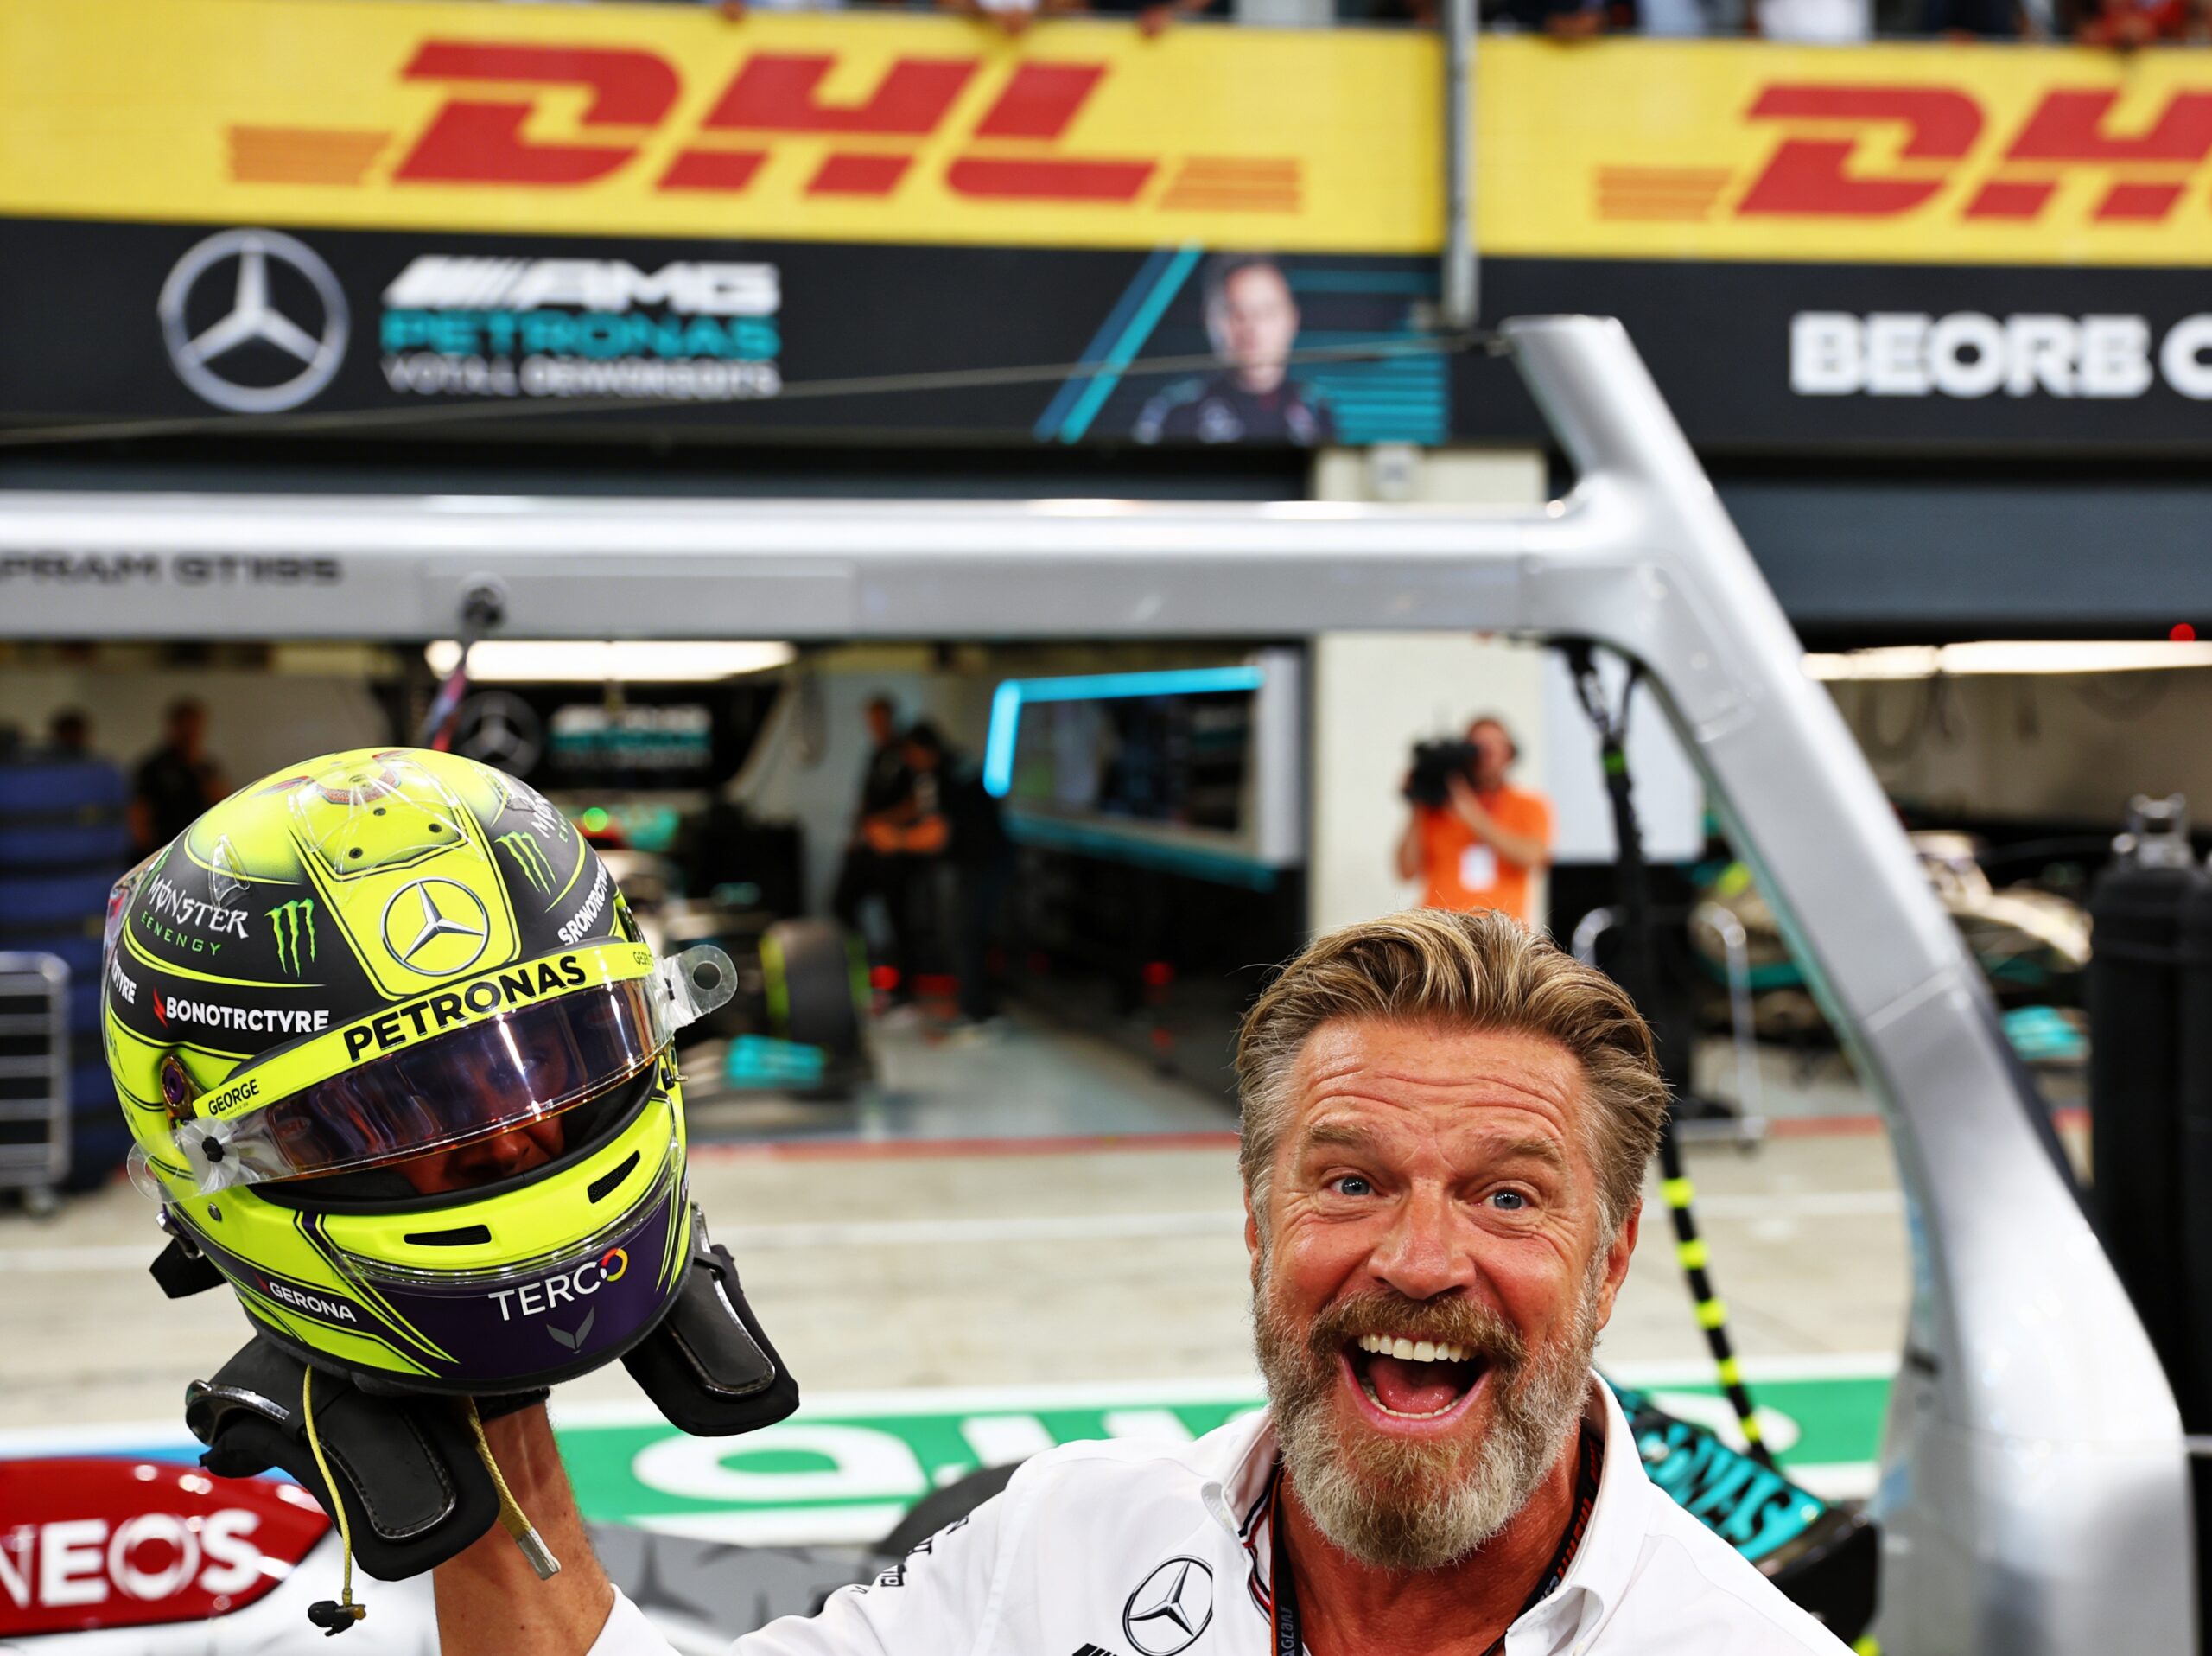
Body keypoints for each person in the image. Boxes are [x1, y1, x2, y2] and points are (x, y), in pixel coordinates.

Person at [429, 908, 1849, 1656]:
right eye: (1351, 1183)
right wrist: (473, 1371)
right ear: (1258, 1222)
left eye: (1508, 1197)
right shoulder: (1062, 1542)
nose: (1421, 1261)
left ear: (1611, 1261)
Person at [880, 719, 1012, 1029]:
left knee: (963, 937)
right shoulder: (949, 768)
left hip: (979, 865)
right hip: (979, 863)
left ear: (922, 750)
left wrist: (894, 840)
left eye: (911, 755)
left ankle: (979, 1016)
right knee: (962, 936)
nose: (909, 762)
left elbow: (938, 834)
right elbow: (920, 809)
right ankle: (974, 1009)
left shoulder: (947, 774)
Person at [1135, 257, 1338, 447]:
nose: (1253, 328)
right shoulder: (1176, 411)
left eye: (1267, 312)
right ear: (1212, 322)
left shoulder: (1317, 411)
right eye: (1238, 313)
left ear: (1293, 318)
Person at [1396, 717, 1554, 927]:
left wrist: (1472, 814)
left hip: (1500, 934)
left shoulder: (1530, 805)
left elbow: (1532, 857)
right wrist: (1418, 802)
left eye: (1494, 746)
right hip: (1441, 931)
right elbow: (1406, 870)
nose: (1486, 754)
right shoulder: (1438, 808)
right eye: (1479, 747)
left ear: (1510, 754)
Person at [830, 695, 920, 1001]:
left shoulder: (907, 754)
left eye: (881, 720)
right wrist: (857, 833)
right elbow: (867, 799)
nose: (876, 726)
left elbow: (916, 804)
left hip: (896, 851)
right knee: (841, 903)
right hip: (869, 846)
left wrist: (882, 822)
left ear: (892, 719)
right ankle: (862, 969)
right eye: (872, 721)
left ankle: (904, 989)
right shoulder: (876, 754)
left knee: (899, 918)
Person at [130, 696, 226, 853]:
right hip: (163, 850)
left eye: (195, 729)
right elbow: (139, 816)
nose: (191, 735)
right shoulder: (153, 768)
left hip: (199, 848)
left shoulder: (206, 767)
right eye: (186, 729)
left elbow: (222, 804)